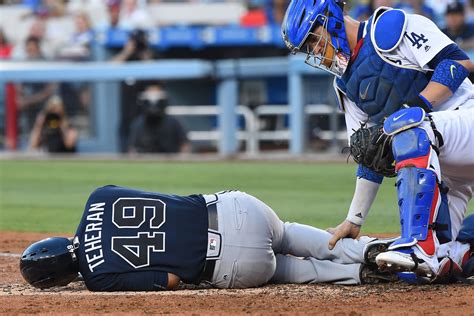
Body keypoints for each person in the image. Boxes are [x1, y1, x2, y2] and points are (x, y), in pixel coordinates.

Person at [281, 0, 474, 281]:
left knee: (407, 128)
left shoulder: (390, 28)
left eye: (313, 39)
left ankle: (419, 243)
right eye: (307, 48)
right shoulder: (345, 84)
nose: (315, 51)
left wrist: (417, 106)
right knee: (423, 272)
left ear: (330, 18)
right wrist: (354, 219)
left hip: (466, 122)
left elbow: (457, 62)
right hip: (446, 169)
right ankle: (456, 250)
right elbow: (370, 154)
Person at [20, 185, 417, 291]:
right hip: (237, 209)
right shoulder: (97, 198)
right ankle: (367, 249)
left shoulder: (96, 279)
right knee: (289, 232)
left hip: (231, 264)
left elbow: (171, 281)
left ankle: (358, 277)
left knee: (291, 272)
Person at [111, 29, 154, 152]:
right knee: (124, 150)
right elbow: (109, 68)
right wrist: (127, 51)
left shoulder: (148, 57)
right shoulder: (126, 58)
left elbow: (156, 75)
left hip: (144, 115)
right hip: (126, 115)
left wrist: (145, 55)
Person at [128, 82, 189, 153]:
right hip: (146, 161)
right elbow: (132, 149)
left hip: (170, 161)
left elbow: (185, 144)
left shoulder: (173, 123)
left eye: (157, 99)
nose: (153, 106)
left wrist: (180, 159)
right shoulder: (138, 124)